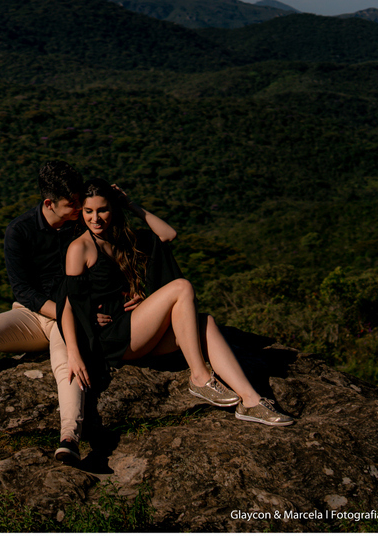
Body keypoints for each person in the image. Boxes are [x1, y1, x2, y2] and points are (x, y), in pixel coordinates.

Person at [0, 162, 141, 462]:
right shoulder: (20, 230)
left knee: (64, 361)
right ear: (48, 203)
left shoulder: (82, 221)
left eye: (80, 200)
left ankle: (69, 437)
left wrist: (123, 203)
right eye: (72, 204)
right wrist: (70, 313)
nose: (80, 208)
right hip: (35, 313)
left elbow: (117, 251)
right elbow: (23, 291)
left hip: (70, 316)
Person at [56, 178, 293, 459]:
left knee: (204, 323)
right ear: (81, 212)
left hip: (134, 327)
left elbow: (168, 235)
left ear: (113, 209)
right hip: (113, 338)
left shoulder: (121, 238)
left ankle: (251, 401)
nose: (96, 218)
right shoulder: (79, 248)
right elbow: (68, 304)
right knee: (182, 287)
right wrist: (73, 351)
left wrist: (131, 204)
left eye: (103, 210)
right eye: (88, 211)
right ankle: (200, 378)